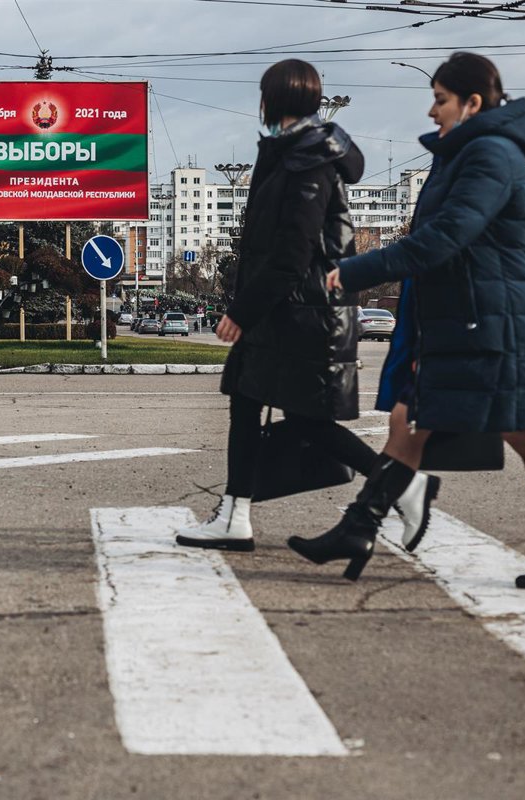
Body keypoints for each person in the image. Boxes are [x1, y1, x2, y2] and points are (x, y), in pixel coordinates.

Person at [288, 52, 525, 590]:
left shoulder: (493, 154)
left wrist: (352, 271)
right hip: (466, 322)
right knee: (409, 421)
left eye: (440, 99)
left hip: (496, 325)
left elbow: (442, 239)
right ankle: (358, 528)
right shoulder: (466, 154)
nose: (432, 112)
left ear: (472, 102)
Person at [176, 59, 437, 552]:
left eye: (263, 94)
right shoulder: (288, 152)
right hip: (289, 311)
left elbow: (293, 253)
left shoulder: (308, 159)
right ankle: (235, 516)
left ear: (274, 100)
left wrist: (242, 311)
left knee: (305, 420)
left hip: (305, 313)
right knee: (248, 405)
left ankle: (402, 486)